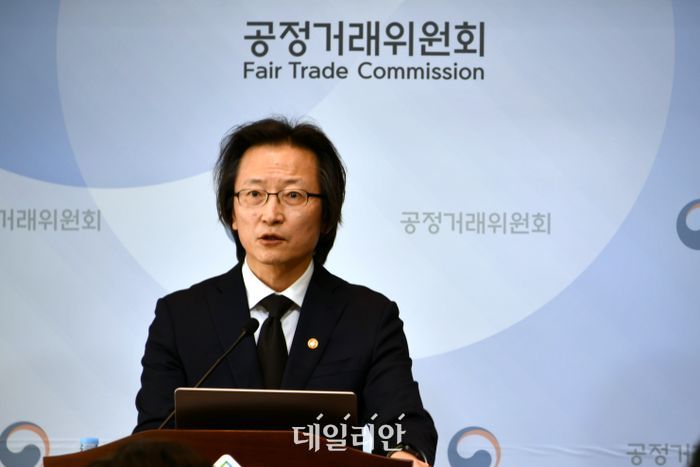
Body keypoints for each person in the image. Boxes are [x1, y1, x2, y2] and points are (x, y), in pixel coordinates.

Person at [134, 117, 438, 465]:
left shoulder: (368, 317)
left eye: (293, 195)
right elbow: (152, 438)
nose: (271, 214)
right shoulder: (181, 318)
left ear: (327, 215)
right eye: (254, 194)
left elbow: (402, 423)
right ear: (231, 212)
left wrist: (405, 453)